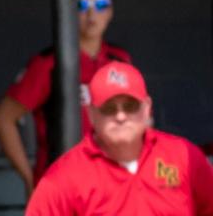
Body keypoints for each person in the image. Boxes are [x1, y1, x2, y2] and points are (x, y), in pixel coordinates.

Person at [0, 0, 131, 198]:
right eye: (82, 4)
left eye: (101, 4)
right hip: (62, 188)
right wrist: (29, 177)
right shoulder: (48, 63)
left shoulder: (121, 60)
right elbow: (2, 118)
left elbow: (139, 123)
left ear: (111, 11)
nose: (91, 14)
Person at [27, 62, 213, 215]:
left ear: (147, 107)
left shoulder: (184, 157)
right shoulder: (64, 177)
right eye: (109, 108)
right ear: (91, 113)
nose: (121, 116)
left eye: (130, 106)